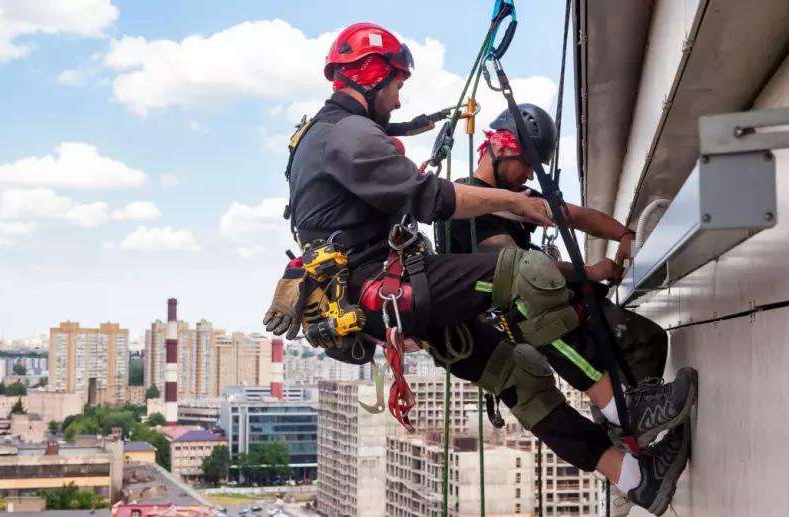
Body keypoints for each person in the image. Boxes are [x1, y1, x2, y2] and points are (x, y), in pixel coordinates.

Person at [262, 22, 694, 516]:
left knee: (522, 377)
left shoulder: (320, 138)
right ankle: (625, 407)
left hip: (380, 300)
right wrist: (516, 202)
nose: (399, 102)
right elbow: (428, 199)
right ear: (373, 73)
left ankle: (638, 479)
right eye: (398, 86)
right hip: (383, 288)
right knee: (526, 273)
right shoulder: (348, 133)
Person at [435, 105, 675, 515]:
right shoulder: (467, 211)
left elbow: (574, 216)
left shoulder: (512, 201)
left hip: (550, 311)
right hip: (526, 326)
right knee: (638, 344)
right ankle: (629, 449)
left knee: (641, 345)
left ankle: (629, 446)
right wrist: (592, 272)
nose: (529, 175)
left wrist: (624, 234)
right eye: (526, 164)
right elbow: (514, 269)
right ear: (499, 148)